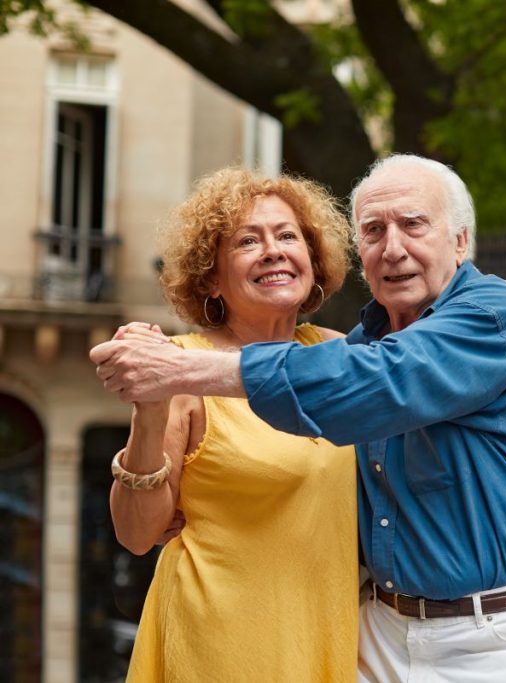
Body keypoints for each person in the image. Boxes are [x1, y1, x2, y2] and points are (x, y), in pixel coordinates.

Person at [91, 154, 506, 682]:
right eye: (374, 230)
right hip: (362, 638)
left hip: (501, 637)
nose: (393, 247)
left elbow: (376, 381)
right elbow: (144, 527)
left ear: (461, 241)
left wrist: (180, 369)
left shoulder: (489, 315)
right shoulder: (357, 348)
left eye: (414, 224)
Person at [104, 167, 358, 682]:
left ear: (312, 259)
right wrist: (150, 409)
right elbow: (136, 534)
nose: (273, 250)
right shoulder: (180, 365)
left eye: (288, 236)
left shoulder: (339, 352)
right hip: (221, 637)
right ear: (211, 277)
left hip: (326, 630)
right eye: (248, 241)